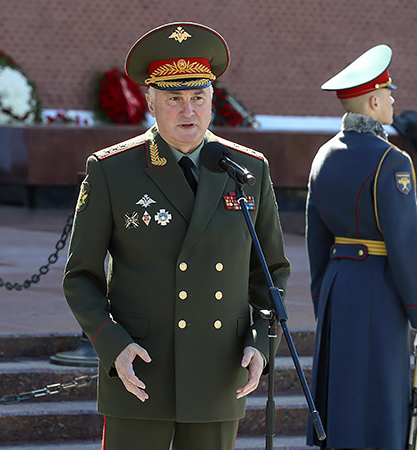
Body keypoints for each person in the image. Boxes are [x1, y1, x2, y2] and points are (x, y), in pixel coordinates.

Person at [62, 22, 290, 450]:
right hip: (139, 368)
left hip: (219, 368)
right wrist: (111, 344)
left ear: (212, 101)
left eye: (198, 97)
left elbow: (270, 271)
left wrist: (261, 343)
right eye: (174, 99)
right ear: (150, 101)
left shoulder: (248, 170)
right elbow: (81, 276)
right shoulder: (113, 170)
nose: (189, 111)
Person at [305, 44, 417, 450]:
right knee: (380, 398)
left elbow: (316, 240)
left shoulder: (323, 156)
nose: (394, 101)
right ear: (373, 102)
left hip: (337, 286)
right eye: (389, 94)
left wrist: (323, 297)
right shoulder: (392, 161)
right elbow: (404, 245)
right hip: (377, 290)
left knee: (343, 396)